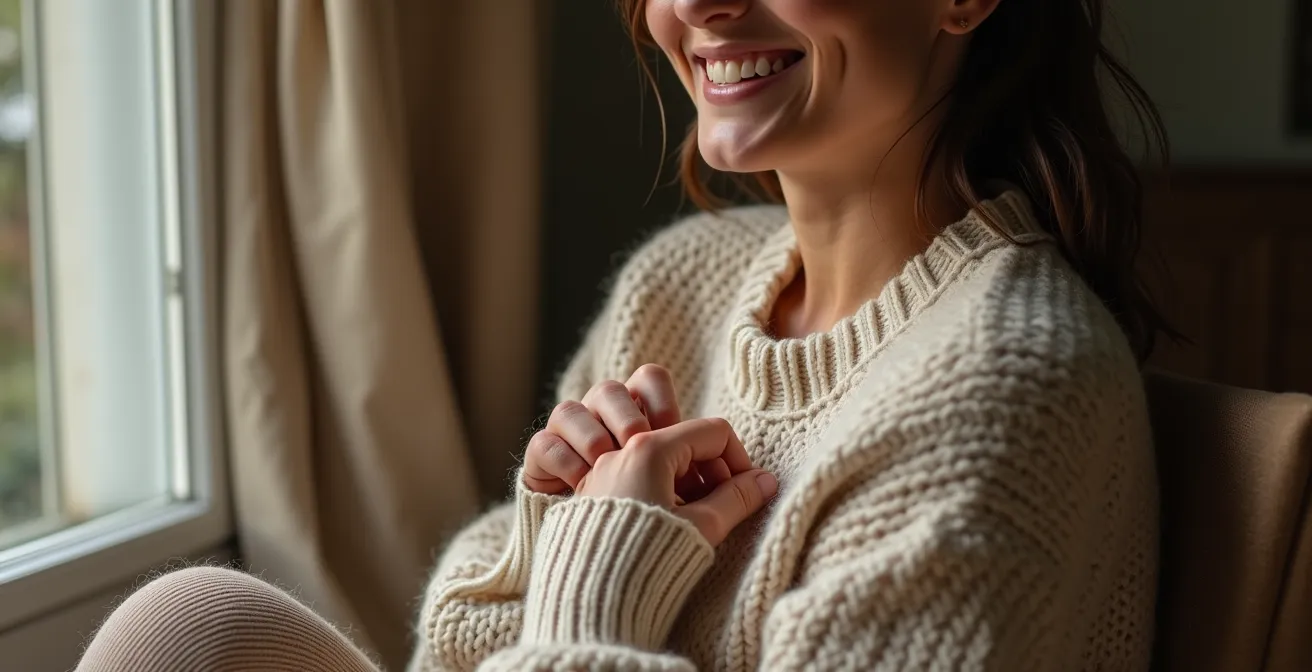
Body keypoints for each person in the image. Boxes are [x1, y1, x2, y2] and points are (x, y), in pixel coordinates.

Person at [79, 0, 1166, 670]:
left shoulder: (1005, 386)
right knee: (193, 633)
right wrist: (552, 541)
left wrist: (592, 602)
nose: (695, 4)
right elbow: (446, 657)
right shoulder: (680, 285)